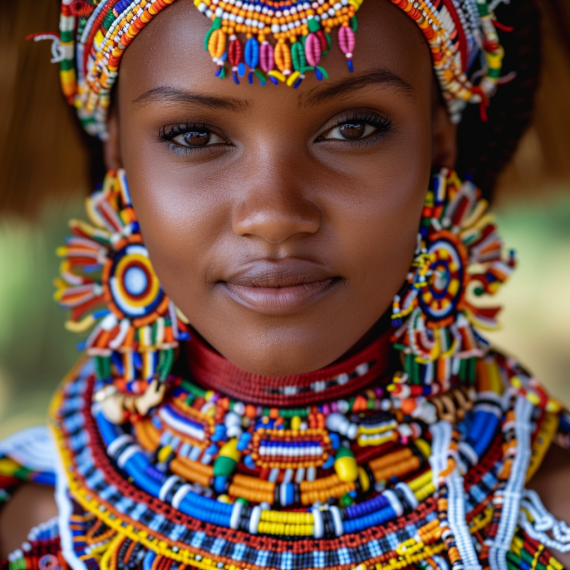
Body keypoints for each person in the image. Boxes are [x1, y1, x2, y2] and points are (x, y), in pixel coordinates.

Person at [1, 0, 570, 569]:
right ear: (118, 154)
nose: (273, 214)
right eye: (194, 135)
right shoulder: (28, 528)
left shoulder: (552, 515)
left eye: (354, 128)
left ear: (438, 142)